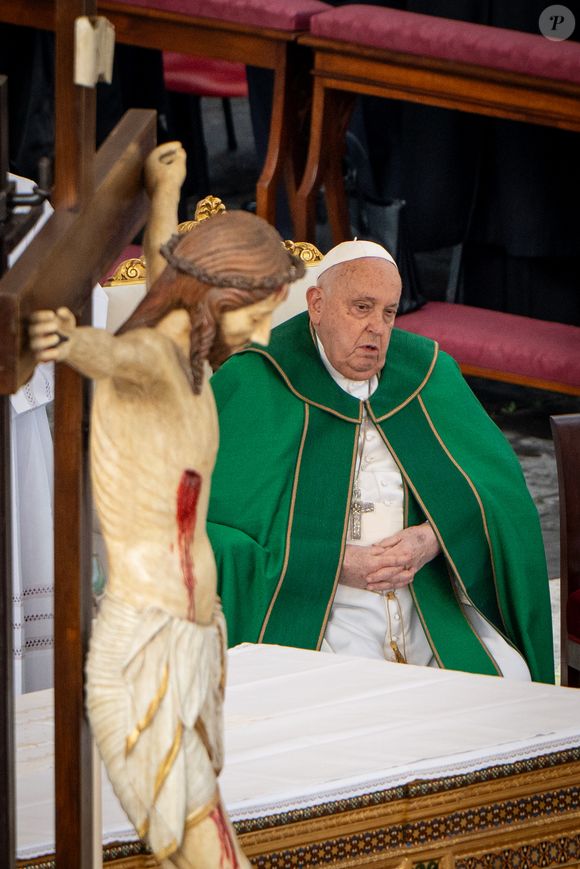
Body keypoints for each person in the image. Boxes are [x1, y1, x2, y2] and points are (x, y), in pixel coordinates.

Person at [29, 142, 304, 868]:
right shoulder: (152, 362)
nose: (266, 335)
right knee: (196, 838)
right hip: (144, 642)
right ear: (216, 300)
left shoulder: (190, 359)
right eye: (257, 315)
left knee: (203, 823)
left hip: (192, 637)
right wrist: (68, 343)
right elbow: (114, 358)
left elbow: (164, 269)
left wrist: (164, 194)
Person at [207, 239, 555, 685]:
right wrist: (332, 562)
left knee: (508, 678)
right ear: (316, 304)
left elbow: (501, 497)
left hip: (428, 598)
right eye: (361, 307)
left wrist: (433, 537)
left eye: (388, 312)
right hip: (318, 605)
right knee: (343, 700)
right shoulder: (255, 382)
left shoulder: (429, 374)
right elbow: (202, 527)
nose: (376, 328)